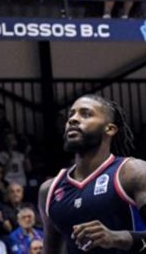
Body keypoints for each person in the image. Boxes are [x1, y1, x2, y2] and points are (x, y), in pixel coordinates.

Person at [38, 94, 146, 254]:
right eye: (71, 115)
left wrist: (117, 238)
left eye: (86, 114)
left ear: (110, 129)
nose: (73, 119)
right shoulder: (49, 190)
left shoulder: (132, 172)